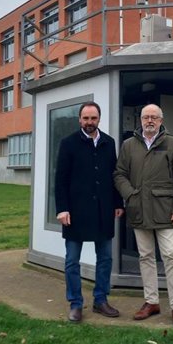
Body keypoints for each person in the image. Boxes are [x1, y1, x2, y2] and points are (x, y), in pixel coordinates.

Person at [113, 103, 173, 327]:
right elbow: (119, 174)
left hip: (166, 212)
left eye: (154, 117)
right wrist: (130, 195)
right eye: (146, 117)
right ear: (140, 120)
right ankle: (151, 302)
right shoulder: (128, 145)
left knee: (170, 256)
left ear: (160, 120)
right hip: (139, 210)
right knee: (145, 257)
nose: (149, 121)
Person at [55, 101, 124, 323]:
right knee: (72, 260)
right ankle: (76, 304)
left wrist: (118, 203)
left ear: (99, 119)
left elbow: (114, 176)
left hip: (103, 212)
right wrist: (62, 208)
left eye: (93, 118)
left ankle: (100, 300)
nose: (89, 122)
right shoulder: (68, 144)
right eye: (85, 118)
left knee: (105, 258)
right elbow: (60, 180)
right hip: (75, 213)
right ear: (79, 120)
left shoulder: (108, 143)